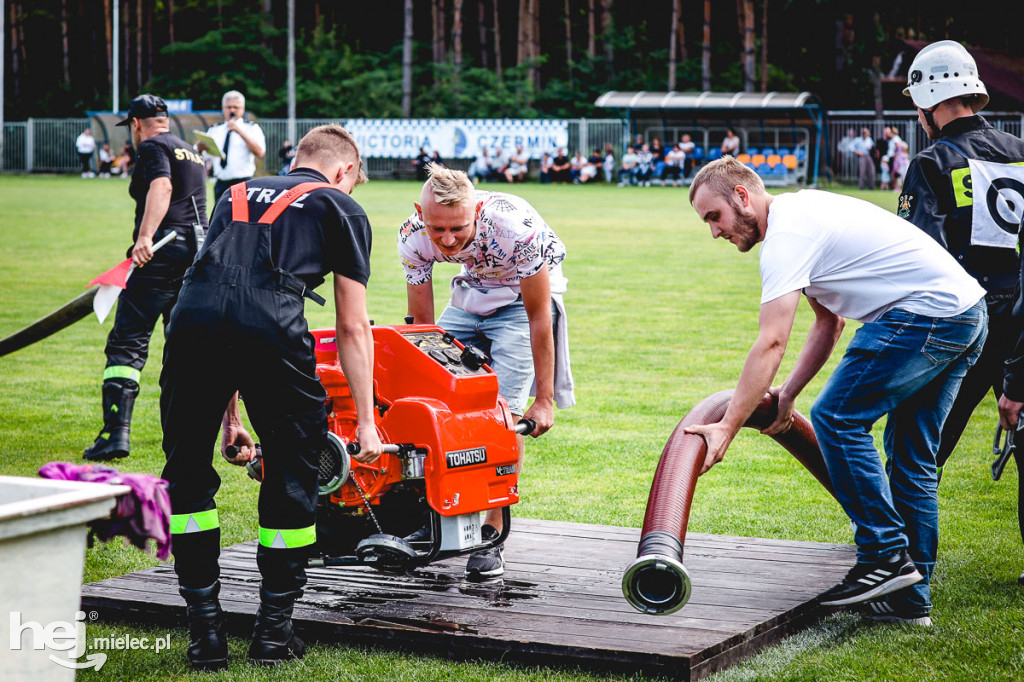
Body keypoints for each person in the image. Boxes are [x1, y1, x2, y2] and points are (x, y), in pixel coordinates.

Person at [686, 156, 986, 627]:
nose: (714, 232)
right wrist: (787, 396)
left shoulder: (786, 237)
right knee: (911, 457)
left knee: (837, 417)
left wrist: (728, 425)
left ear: (742, 196)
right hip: (967, 313)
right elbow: (830, 322)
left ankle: (885, 556)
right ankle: (909, 601)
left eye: (714, 217)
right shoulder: (801, 218)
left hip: (925, 314)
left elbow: (771, 341)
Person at [160, 124, 383, 670]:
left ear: (295, 159)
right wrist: (369, 424)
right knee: (290, 474)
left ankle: (205, 634)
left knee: (185, 474)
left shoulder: (235, 191)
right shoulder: (340, 206)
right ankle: (272, 633)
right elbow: (353, 327)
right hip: (273, 327)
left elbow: (223, 287)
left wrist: (227, 416)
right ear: (345, 170)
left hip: (190, 323)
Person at [398, 165, 573, 580]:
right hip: (471, 293)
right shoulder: (412, 235)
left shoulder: (516, 227)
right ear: (420, 214)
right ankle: (435, 516)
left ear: (477, 209)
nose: (447, 239)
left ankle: (491, 532)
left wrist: (544, 399)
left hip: (520, 300)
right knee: (432, 401)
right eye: (437, 229)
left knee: (502, 417)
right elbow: (424, 330)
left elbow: (537, 318)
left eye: (458, 227)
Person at [899, 41, 1024, 591]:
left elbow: (917, 260)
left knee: (920, 447)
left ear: (929, 100)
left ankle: (897, 561)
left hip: (963, 324)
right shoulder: (1022, 151)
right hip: (1023, 324)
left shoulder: (930, 163)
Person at [83, 95, 208, 461]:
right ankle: (186, 435)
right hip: (195, 255)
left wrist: (144, 238)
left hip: (160, 252)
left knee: (128, 341)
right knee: (183, 347)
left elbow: (163, 187)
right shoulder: (192, 152)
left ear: (137, 123)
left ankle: (114, 433)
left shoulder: (152, 146)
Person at [198, 90, 267, 208]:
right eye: (229, 107)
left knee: (241, 220)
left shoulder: (251, 128)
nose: (232, 110)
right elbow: (206, 157)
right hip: (221, 182)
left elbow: (260, 152)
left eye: (236, 107)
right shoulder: (215, 129)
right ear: (223, 108)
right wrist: (200, 149)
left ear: (243, 109)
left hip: (242, 182)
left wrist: (239, 131)